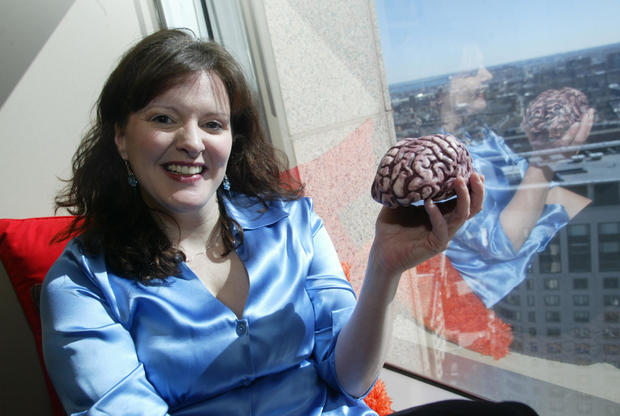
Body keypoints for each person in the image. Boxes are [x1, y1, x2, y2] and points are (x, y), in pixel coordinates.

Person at [40, 29, 535, 415]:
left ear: (232, 140)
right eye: (164, 119)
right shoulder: (82, 282)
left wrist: (385, 269)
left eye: (213, 124)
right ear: (122, 138)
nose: (192, 141)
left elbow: (351, 381)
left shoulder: (292, 223)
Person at [436, 65, 594, 307]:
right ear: (443, 88)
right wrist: (545, 160)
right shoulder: (442, 162)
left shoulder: (481, 135)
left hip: (541, 271)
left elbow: (531, 192)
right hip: (512, 297)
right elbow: (502, 244)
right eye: (471, 70)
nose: (487, 75)